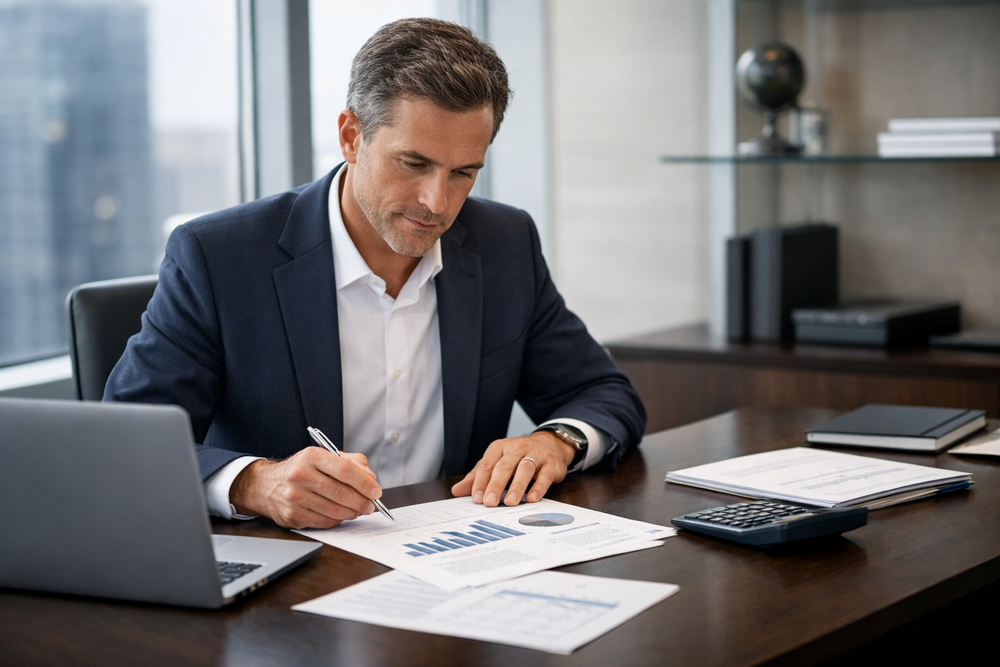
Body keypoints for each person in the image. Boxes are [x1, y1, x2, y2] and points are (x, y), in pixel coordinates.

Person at [105, 18, 645, 530]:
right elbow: (127, 441)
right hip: (294, 569)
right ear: (350, 136)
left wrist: (555, 442)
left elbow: (602, 392)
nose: (437, 202)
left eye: (463, 173)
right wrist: (254, 483)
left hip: (456, 554)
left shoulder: (504, 243)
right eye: (414, 164)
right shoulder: (219, 256)